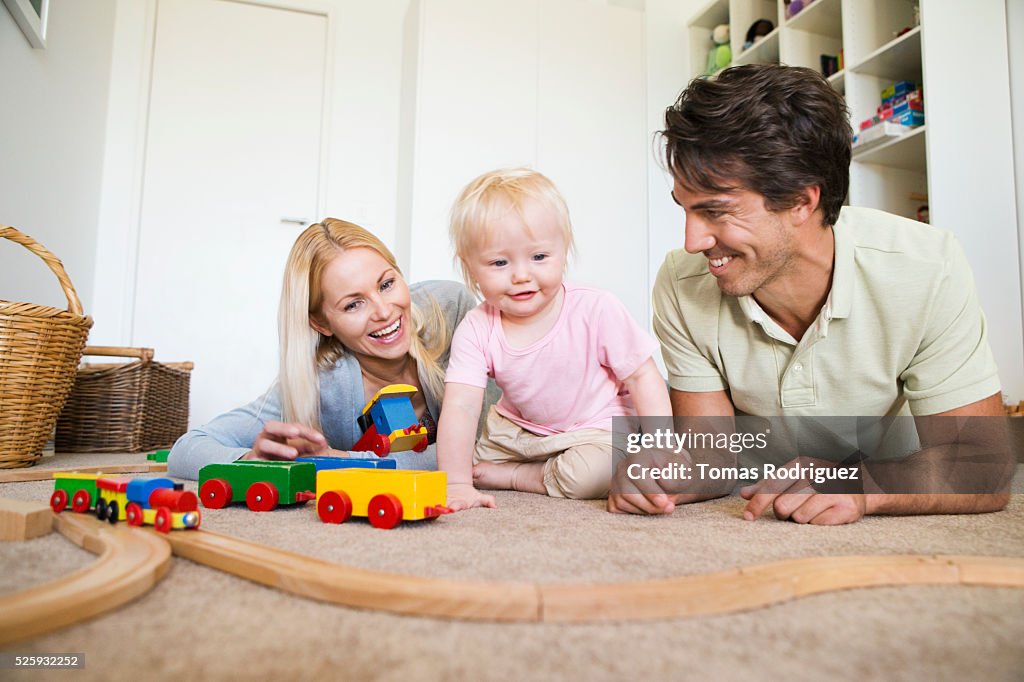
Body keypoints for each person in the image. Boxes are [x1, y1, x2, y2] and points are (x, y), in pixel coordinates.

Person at [608, 64, 1012, 523]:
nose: (692, 241)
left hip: (883, 494)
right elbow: (712, 456)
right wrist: (661, 474)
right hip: (749, 513)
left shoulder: (927, 268)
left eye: (716, 212)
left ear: (802, 201)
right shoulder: (683, 285)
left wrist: (857, 485)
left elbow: (984, 464)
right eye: (686, 210)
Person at [168, 218, 497, 480]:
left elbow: (488, 446)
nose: (383, 311)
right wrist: (252, 460)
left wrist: (345, 462)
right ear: (322, 324)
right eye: (353, 305)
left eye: (386, 284)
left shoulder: (453, 311)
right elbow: (186, 450)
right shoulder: (321, 382)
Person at [437, 168, 672, 511]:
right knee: (465, 460)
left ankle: (523, 477)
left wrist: (659, 447)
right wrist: (455, 483)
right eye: (499, 262)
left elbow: (643, 375)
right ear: (470, 267)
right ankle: (513, 467)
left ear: (564, 251)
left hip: (597, 427)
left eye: (539, 257)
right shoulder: (477, 327)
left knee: (592, 475)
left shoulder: (596, 308)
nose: (521, 275)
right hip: (518, 432)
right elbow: (461, 404)